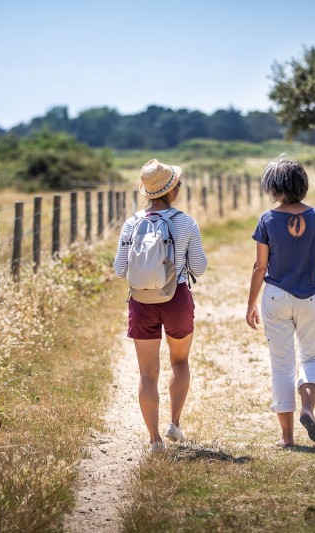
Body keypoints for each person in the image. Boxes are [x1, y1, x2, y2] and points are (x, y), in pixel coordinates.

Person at [245, 155, 315, 447]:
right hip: (310, 297)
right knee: (311, 357)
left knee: (281, 365)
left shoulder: (267, 219)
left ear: (274, 187)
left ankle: (287, 438)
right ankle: (308, 408)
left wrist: (251, 303)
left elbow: (260, 267)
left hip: (275, 297)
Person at [114, 159, 208, 452]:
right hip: (176, 297)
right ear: (172, 190)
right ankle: (175, 424)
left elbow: (119, 268)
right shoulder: (185, 222)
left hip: (141, 301)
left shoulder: (132, 223)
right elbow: (200, 267)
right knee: (179, 362)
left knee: (147, 374)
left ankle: (154, 440)